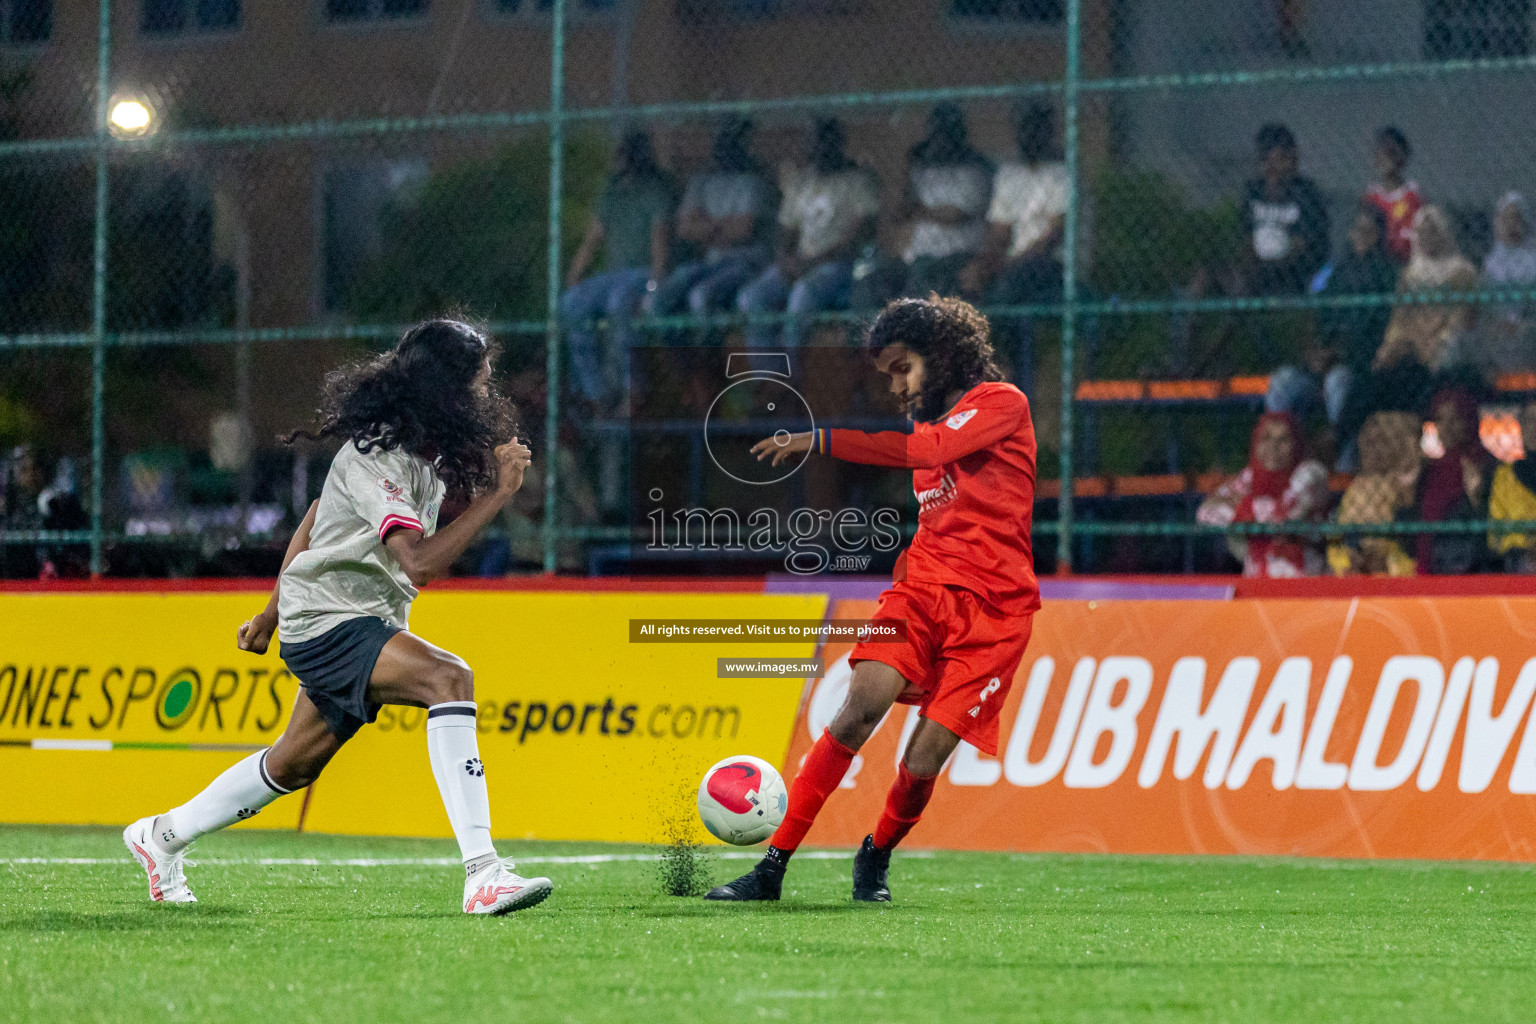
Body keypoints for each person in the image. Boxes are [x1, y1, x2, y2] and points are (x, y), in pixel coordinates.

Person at [123, 319, 555, 916]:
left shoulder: (421, 445)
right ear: (446, 391)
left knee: (293, 763)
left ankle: (161, 836)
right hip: (332, 620)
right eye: (479, 383)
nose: (487, 393)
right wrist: (497, 496)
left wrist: (269, 614)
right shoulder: (381, 455)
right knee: (449, 679)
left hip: (352, 617)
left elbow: (318, 515)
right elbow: (420, 564)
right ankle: (483, 874)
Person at [710, 296, 1038, 903]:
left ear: (940, 356)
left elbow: (932, 452)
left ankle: (875, 855)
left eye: (902, 367)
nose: (897, 385)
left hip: (997, 610)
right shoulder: (927, 422)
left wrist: (821, 440)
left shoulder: (1002, 403)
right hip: (924, 591)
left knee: (922, 762)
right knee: (859, 710)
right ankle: (771, 867)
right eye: (888, 374)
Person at [1177, 123, 1328, 371]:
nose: (1280, 164)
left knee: (1242, 286)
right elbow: (1246, 239)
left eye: (1286, 157)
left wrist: (1269, 261)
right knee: (1204, 277)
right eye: (1273, 158)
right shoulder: (1254, 191)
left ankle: (1203, 365)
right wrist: (1247, 261)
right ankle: (1184, 357)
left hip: (1291, 275)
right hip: (1253, 269)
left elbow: (1304, 245)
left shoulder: (1306, 194)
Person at [1266, 205, 1399, 464]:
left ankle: (1344, 465)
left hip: (1355, 367)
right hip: (1319, 365)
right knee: (1282, 383)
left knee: (1338, 383)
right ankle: (1280, 461)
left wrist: (1338, 354)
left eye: (1369, 231)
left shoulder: (1387, 275)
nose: (1362, 236)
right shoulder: (1337, 273)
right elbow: (1314, 319)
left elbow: (1376, 332)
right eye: (1357, 230)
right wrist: (1313, 352)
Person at [737, 118, 879, 348]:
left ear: (838, 143)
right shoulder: (802, 181)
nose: (819, 148)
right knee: (752, 297)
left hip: (840, 266)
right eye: (814, 142)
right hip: (801, 262)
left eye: (825, 141)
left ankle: (793, 378)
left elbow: (859, 237)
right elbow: (787, 230)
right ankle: (768, 377)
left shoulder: (857, 181)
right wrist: (785, 260)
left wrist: (812, 263)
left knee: (802, 295)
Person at [562, 130, 674, 411]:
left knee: (618, 303)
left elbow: (660, 245)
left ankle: (632, 389)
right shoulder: (610, 194)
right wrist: (574, 278)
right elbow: (592, 241)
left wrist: (654, 288)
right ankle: (595, 393)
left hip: (641, 274)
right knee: (572, 303)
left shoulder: (654, 192)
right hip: (612, 276)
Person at [958, 102, 1066, 394]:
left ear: (1047, 131)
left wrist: (1007, 264)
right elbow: (998, 234)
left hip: (1052, 266)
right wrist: (982, 266)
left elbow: (1054, 237)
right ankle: (981, 375)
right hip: (1014, 265)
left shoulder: (1062, 173)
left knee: (1008, 288)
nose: (1027, 135)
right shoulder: (1009, 175)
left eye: (1034, 128)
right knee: (966, 285)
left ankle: (1008, 368)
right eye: (1022, 128)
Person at [646, 116, 776, 337]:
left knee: (701, 296)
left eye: (730, 140)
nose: (723, 146)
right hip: (710, 262)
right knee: (657, 299)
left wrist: (706, 225)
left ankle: (710, 364)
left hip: (745, 263)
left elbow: (744, 231)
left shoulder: (752, 181)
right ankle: (682, 365)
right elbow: (684, 229)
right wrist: (724, 225)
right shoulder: (702, 181)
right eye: (720, 139)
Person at [1196, 412, 1330, 577]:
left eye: (1283, 440)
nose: (1273, 447)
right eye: (1266, 438)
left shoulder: (1311, 472)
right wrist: (1248, 514)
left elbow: (1285, 515)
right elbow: (1205, 513)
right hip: (1256, 579)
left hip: (1302, 578)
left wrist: (1243, 510)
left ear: (1296, 445)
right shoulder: (1250, 476)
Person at [896, 103, 993, 298]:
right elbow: (900, 213)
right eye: (936, 134)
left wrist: (921, 211)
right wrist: (909, 166)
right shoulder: (924, 172)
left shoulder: (974, 172)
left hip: (959, 255)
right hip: (922, 256)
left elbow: (955, 215)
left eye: (946, 134)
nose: (941, 141)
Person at [1373, 205, 1477, 379]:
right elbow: (1399, 316)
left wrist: (1436, 340)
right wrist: (1395, 343)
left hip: (1444, 335)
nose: (1425, 238)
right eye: (1420, 232)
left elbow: (1460, 317)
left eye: (1432, 232)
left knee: (1447, 352)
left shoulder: (1462, 271)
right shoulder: (1410, 273)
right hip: (1412, 336)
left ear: (1444, 234)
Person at [1327, 410, 1421, 577]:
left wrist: (1385, 560)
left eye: (1382, 442)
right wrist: (1346, 561)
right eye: (1369, 442)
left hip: (1396, 573)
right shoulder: (1356, 488)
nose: (1373, 449)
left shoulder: (1409, 487)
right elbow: (1336, 540)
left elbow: (1412, 547)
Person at [1413, 385, 1491, 575]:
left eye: (1455, 419)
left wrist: (1476, 497)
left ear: (1468, 421)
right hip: (1429, 564)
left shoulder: (1485, 465)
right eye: (1440, 419)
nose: (1446, 427)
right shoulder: (1429, 469)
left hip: (1469, 567)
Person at [1480, 192, 1536, 372]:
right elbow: (1482, 306)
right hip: (1495, 330)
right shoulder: (1489, 265)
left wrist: (1523, 324)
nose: (1512, 225)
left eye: (1517, 219)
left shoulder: (1532, 262)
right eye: (1506, 219)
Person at [1362, 127, 1423, 267]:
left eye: (1391, 152)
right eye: (1380, 152)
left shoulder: (1412, 196)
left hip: (1403, 263)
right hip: (1375, 263)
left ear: (1402, 156)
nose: (1385, 158)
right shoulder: (1371, 196)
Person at [1488, 401, 1536, 573]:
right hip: (1516, 562)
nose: (1534, 427)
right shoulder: (1505, 475)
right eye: (1529, 420)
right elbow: (1495, 532)